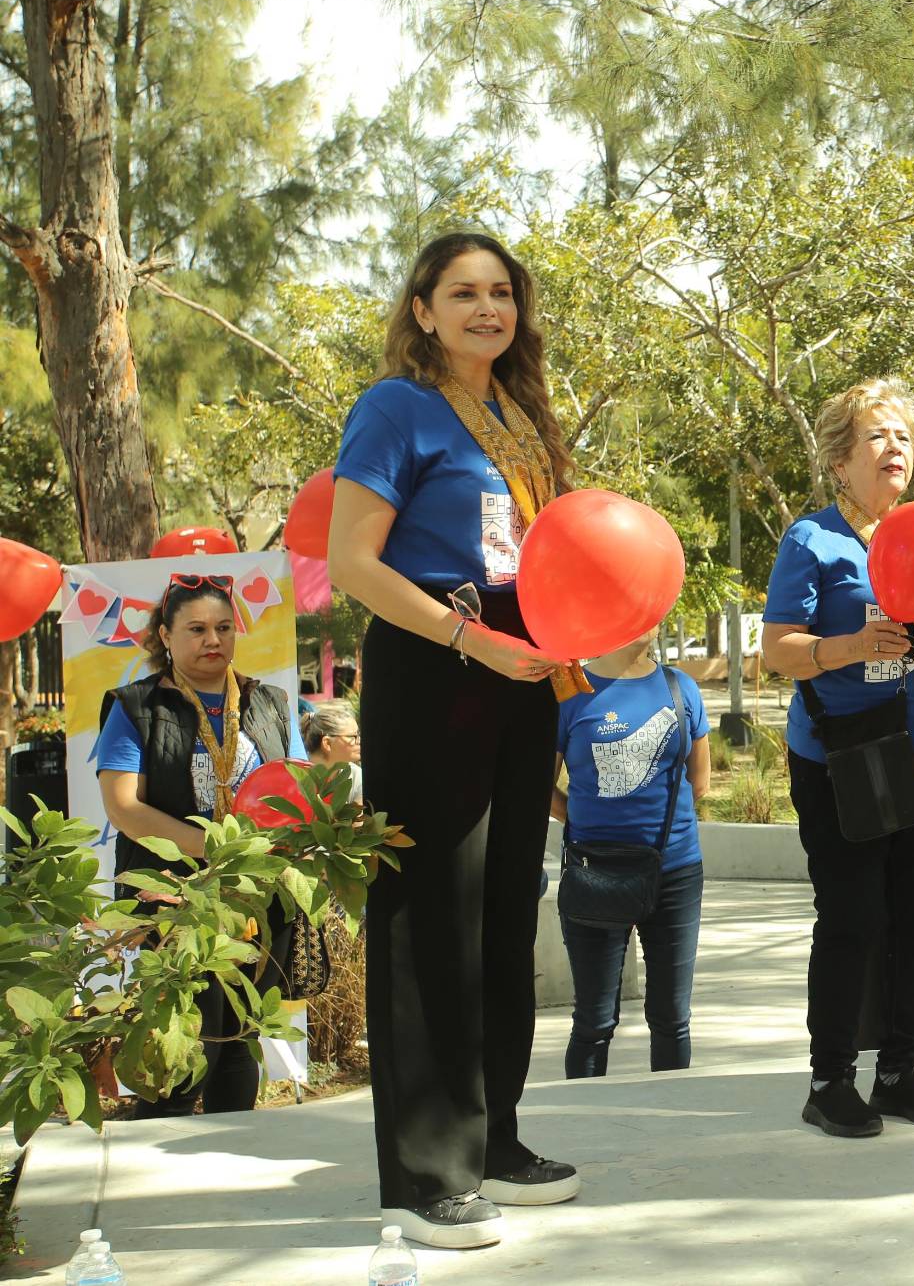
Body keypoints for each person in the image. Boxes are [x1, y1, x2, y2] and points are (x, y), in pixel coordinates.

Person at [327, 231, 577, 1248]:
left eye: (502, 293)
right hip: (437, 661)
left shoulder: (518, 415)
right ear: (421, 309)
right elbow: (351, 560)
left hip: (524, 664)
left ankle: (495, 1138)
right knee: (432, 912)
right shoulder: (396, 407)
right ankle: (426, 1172)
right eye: (463, 293)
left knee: (508, 906)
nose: (487, 308)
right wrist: (466, 637)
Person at [762, 378, 914, 1139]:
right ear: (840, 460)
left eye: (904, 434)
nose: (895, 447)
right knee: (853, 916)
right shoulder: (814, 541)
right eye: (877, 435)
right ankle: (830, 1077)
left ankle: (901, 1068)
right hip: (845, 759)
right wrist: (846, 647)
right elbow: (776, 650)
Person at [96, 573, 307, 1116]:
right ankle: (156, 1180)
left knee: (239, 1040)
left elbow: (301, 791)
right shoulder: (135, 706)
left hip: (258, 900)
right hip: (174, 900)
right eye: (195, 629)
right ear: (165, 636)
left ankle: (228, 1168)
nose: (212, 640)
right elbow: (124, 808)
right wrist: (213, 852)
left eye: (222, 627)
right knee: (182, 1047)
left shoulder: (272, 703)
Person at [551, 635, 710, 1076]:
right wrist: (586, 823)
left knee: (672, 1020)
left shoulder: (681, 688)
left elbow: (700, 782)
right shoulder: (571, 691)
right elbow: (542, 787)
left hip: (674, 871)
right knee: (593, 1022)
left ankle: (671, 1126)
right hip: (594, 872)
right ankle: (583, 1129)